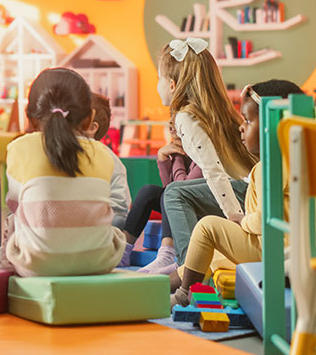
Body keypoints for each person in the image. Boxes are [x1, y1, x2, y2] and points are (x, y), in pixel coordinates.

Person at [170, 80, 303, 308]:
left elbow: (263, 221)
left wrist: (242, 220)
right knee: (212, 256)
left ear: (277, 125)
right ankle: (162, 284)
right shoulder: (298, 158)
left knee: (207, 227)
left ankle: (182, 293)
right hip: (288, 246)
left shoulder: (270, 165)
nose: (242, 127)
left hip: (274, 249)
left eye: (248, 121)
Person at [0, 68, 126, 277]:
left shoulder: (19, 148)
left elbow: (15, 203)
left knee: (14, 218)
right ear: (89, 118)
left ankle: (6, 273)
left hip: (34, 266)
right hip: (100, 261)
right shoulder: (103, 153)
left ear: (30, 117)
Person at [152, 38, 257, 272]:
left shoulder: (185, 118)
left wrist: (236, 219)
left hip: (241, 195)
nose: (157, 85)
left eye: (158, 79)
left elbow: (213, 171)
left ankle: (189, 270)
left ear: (171, 84)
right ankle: (194, 263)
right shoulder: (215, 112)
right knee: (181, 192)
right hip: (249, 191)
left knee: (173, 194)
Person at [117, 120, 203, 270]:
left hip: (200, 208)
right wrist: (162, 158)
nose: (171, 126)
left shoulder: (203, 153)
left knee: (170, 194)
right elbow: (167, 186)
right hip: (181, 203)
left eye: (177, 119)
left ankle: (167, 254)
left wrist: (176, 157)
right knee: (148, 192)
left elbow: (180, 189)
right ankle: (122, 251)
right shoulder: (185, 151)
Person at [83, 93, 130, 229]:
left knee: (117, 221)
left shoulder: (110, 160)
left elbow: (120, 206)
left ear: (92, 127)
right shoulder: (67, 153)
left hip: (102, 221)